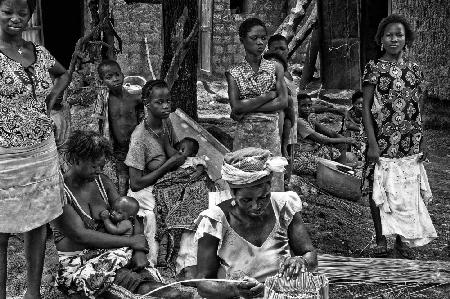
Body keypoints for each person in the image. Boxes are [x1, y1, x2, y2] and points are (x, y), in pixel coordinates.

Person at [51, 130, 190, 299]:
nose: (99, 170)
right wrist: (132, 242)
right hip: (80, 265)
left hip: (116, 254)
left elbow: (131, 216)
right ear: (75, 160)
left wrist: (138, 251)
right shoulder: (60, 193)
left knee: (152, 283)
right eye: (94, 166)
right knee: (141, 290)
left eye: (102, 166)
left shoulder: (102, 181)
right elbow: (81, 235)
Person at [0, 0, 70, 298]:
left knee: (38, 221)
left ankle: (33, 293)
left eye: (23, 13)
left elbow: (64, 73)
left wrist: (54, 95)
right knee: (1, 228)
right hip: (5, 156)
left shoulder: (37, 52)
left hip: (42, 151)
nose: (16, 18)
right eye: (7, 12)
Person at [195, 147, 317, 299]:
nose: (256, 206)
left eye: (263, 198)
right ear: (232, 192)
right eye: (246, 200)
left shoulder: (284, 206)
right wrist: (234, 290)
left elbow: (309, 254)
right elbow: (202, 282)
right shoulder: (215, 221)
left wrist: (301, 261)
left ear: (270, 186)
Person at [362, 14, 436, 259]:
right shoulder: (373, 68)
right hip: (382, 138)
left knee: (406, 186)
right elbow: (366, 108)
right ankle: (382, 236)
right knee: (380, 185)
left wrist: (420, 138)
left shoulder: (415, 70)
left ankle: (404, 237)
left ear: (407, 39)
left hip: (408, 139)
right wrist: (372, 143)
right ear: (381, 39)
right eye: (389, 35)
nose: (394, 39)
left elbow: (418, 108)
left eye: (399, 35)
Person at [126, 79, 208, 280]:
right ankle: (177, 262)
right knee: (180, 207)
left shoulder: (165, 121)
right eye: (159, 102)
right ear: (146, 103)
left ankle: (194, 261)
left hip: (167, 179)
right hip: (145, 190)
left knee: (201, 194)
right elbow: (135, 183)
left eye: (168, 101)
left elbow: (172, 152)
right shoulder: (139, 138)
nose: (166, 106)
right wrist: (168, 166)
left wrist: (189, 167)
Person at [226, 18, 289, 192]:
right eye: (254, 38)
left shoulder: (275, 67)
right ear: (242, 40)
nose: (260, 42)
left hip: (270, 133)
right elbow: (236, 106)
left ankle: (272, 218)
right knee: (245, 180)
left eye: (263, 38)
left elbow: (283, 102)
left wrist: (247, 107)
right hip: (245, 135)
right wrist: (269, 96)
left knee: (272, 179)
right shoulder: (234, 72)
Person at [95, 59, 144, 196]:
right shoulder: (105, 101)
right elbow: (99, 124)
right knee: (122, 179)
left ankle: (138, 203)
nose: (115, 79)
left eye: (117, 75)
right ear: (102, 81)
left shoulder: (133, 98)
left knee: (138, 176)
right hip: (118, 149)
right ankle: (122, 205)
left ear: (122, 75)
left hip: (135, 145)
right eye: (108, 77)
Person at [293, 93, 358, 175]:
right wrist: (345, 140)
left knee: (340, 144)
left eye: (309, 105)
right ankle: (341, 170)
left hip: (313, 151)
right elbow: (322, 140)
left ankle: (342, 166)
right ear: (296, 106)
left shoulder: (309, 118)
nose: (307, 108)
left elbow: (330, 133)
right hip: (302, 156)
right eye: (303, 106)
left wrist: (348, 140)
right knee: (339, 145)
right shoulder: (299, 121)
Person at [339, 91, 366, 165]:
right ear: (353, 104)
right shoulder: (349, 114)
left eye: (362, 104)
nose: (360, 106)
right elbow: (348, 125)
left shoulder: (368, 114)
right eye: (358, 104)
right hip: (352, 139)